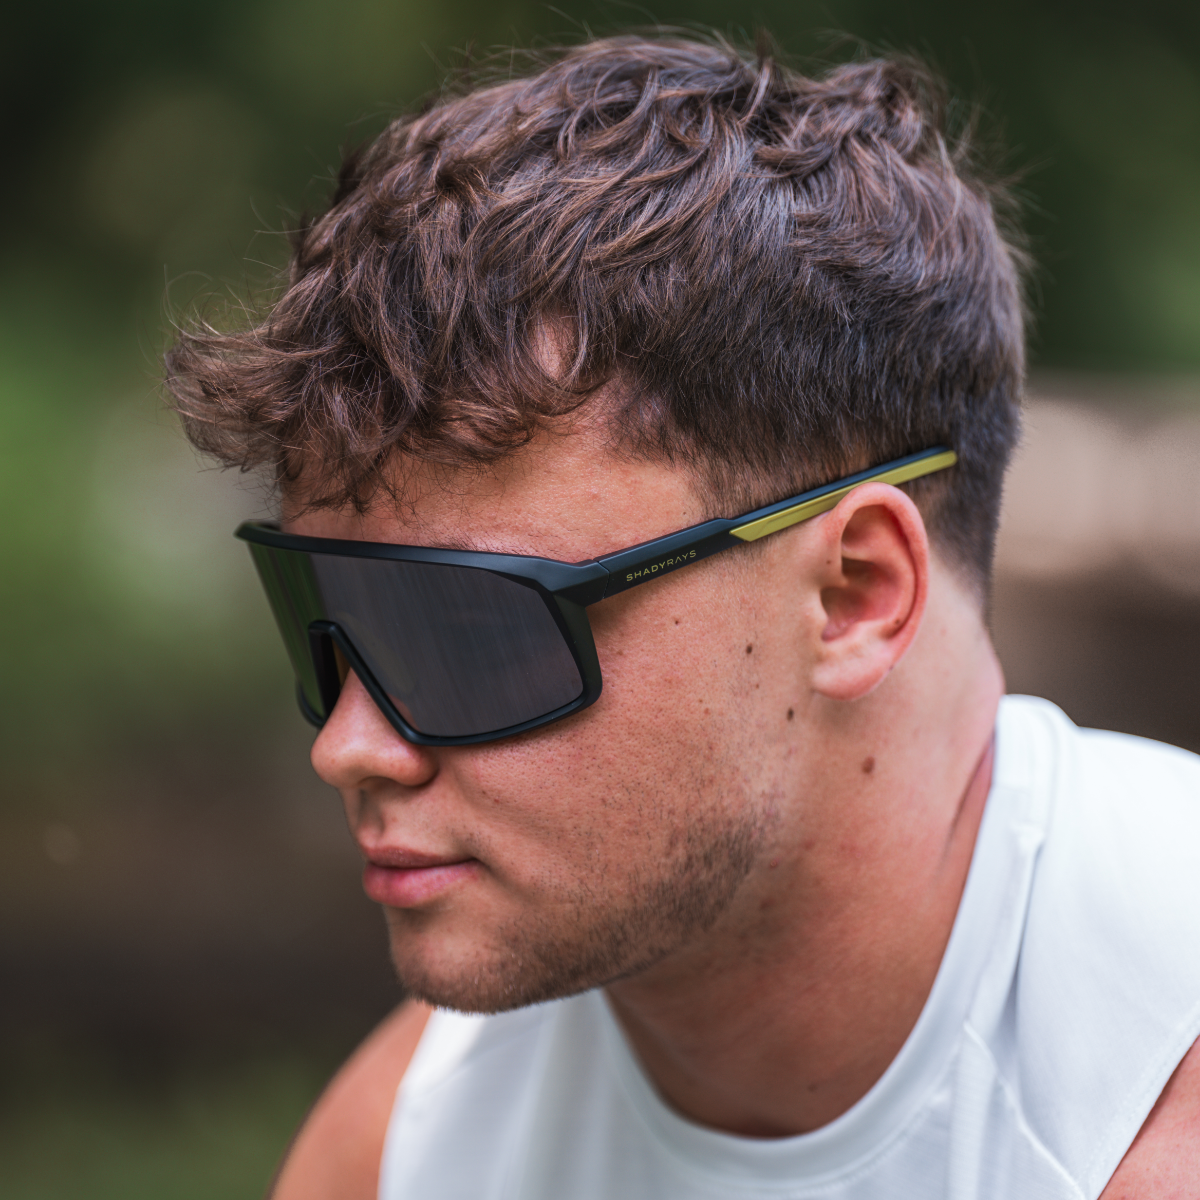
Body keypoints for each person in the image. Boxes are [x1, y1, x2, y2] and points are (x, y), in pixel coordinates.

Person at [165, 34, 1200, 1199]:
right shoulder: (412, 1143)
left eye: (468, 630)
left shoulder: (1149, 1123)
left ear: (856, 595)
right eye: (321, 609)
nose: (348, 746)